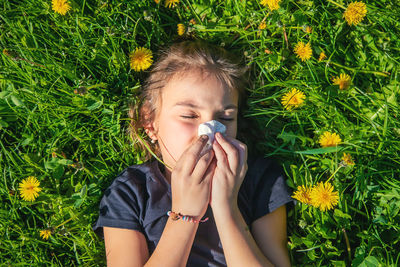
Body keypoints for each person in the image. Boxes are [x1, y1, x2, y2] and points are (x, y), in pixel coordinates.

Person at [93, 39, 294, 267]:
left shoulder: (260, 180)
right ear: (149, 120)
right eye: (189, 116)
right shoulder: (131, 192)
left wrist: (226, 207)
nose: (209, 131)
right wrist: (185, 213)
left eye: (226, 118)